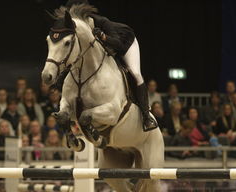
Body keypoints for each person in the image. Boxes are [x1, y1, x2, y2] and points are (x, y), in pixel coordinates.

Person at [51, 0, 157, 131]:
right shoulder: (75, 31)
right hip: (107, 49)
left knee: (135, 73)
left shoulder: (101, 22)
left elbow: (119, 45)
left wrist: (103, 36)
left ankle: (146, 116)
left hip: (125, 42)